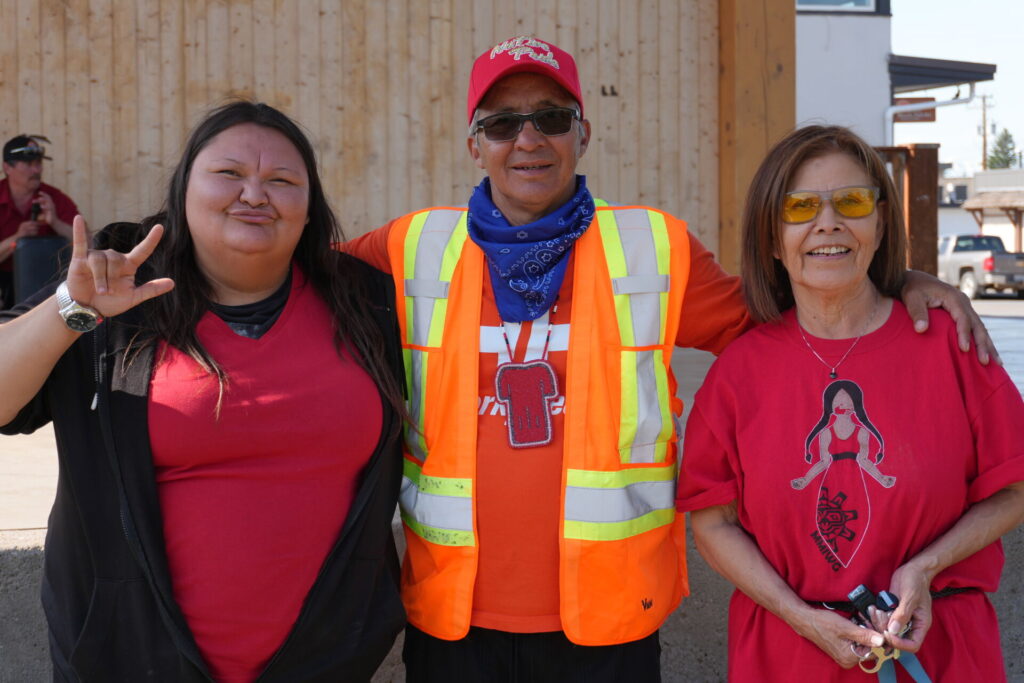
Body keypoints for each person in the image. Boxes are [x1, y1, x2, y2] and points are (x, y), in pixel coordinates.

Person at [342, 37, 996, 682]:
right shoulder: (412, 247)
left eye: (550, 118)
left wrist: (898, 279)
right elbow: (300, 285)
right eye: (503, 123)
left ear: (583, 133)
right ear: (473, 144)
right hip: (453, 623)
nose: (528, 139)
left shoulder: (652, 248)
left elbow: (790, 309)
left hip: (609, 627)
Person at [0, 102, 407, 682]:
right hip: (130, 663)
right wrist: (73, 310)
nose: (255, 194)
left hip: (324, 663)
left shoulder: (367, 302)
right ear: (183, 189)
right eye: (229, 174)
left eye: (283, 181)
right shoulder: (116, 285)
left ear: (310, 205)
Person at [678, 125, 1024, 681]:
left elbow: (1014, 486)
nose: (829, 222)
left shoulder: (951, 344)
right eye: (800, 207)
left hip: (940, 652)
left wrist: (926, 567)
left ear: (881, 222)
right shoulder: (738, 372)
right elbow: (712, 521)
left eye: (853, 201)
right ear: (772, 237)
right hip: (789, 654)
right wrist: (800, 616)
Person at [0, 134, 79, 306]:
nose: (36, 170)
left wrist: (55, 222)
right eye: (29, 164)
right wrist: (17, 238)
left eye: (38, 164)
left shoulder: (54, 198)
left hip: (47, 284)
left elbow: (87, 242)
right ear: (7, 167)